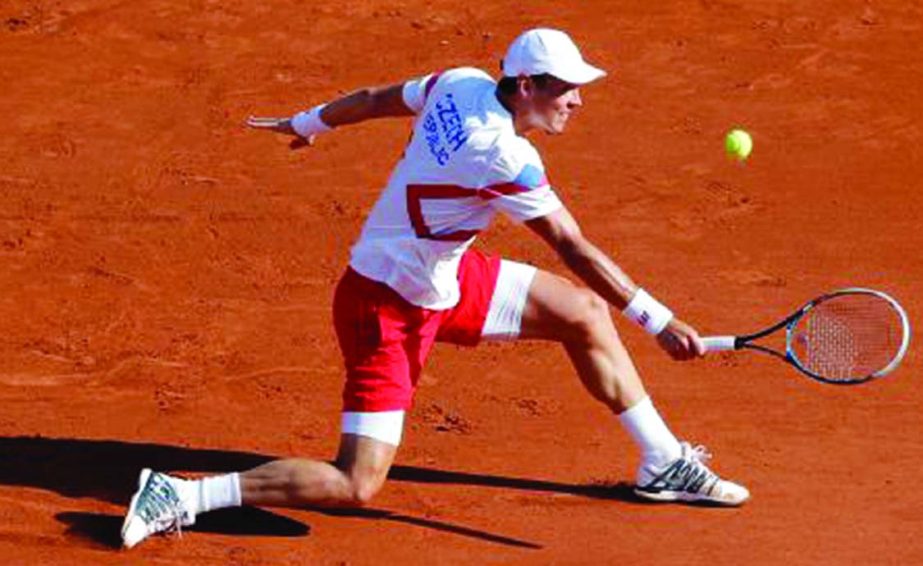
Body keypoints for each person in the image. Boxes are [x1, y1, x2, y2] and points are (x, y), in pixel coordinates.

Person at [121, 27, 748, 550]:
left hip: (439, 280)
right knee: (357, 484)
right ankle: (184, 494)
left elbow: (373, 99)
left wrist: (310, 122)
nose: (577, 101)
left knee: (582, 314)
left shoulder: (462, 82)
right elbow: (572, 245)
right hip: (385, 308)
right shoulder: (506, 158)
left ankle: (663, 461)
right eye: (567, 89)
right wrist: (658, 320)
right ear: (527, 87)